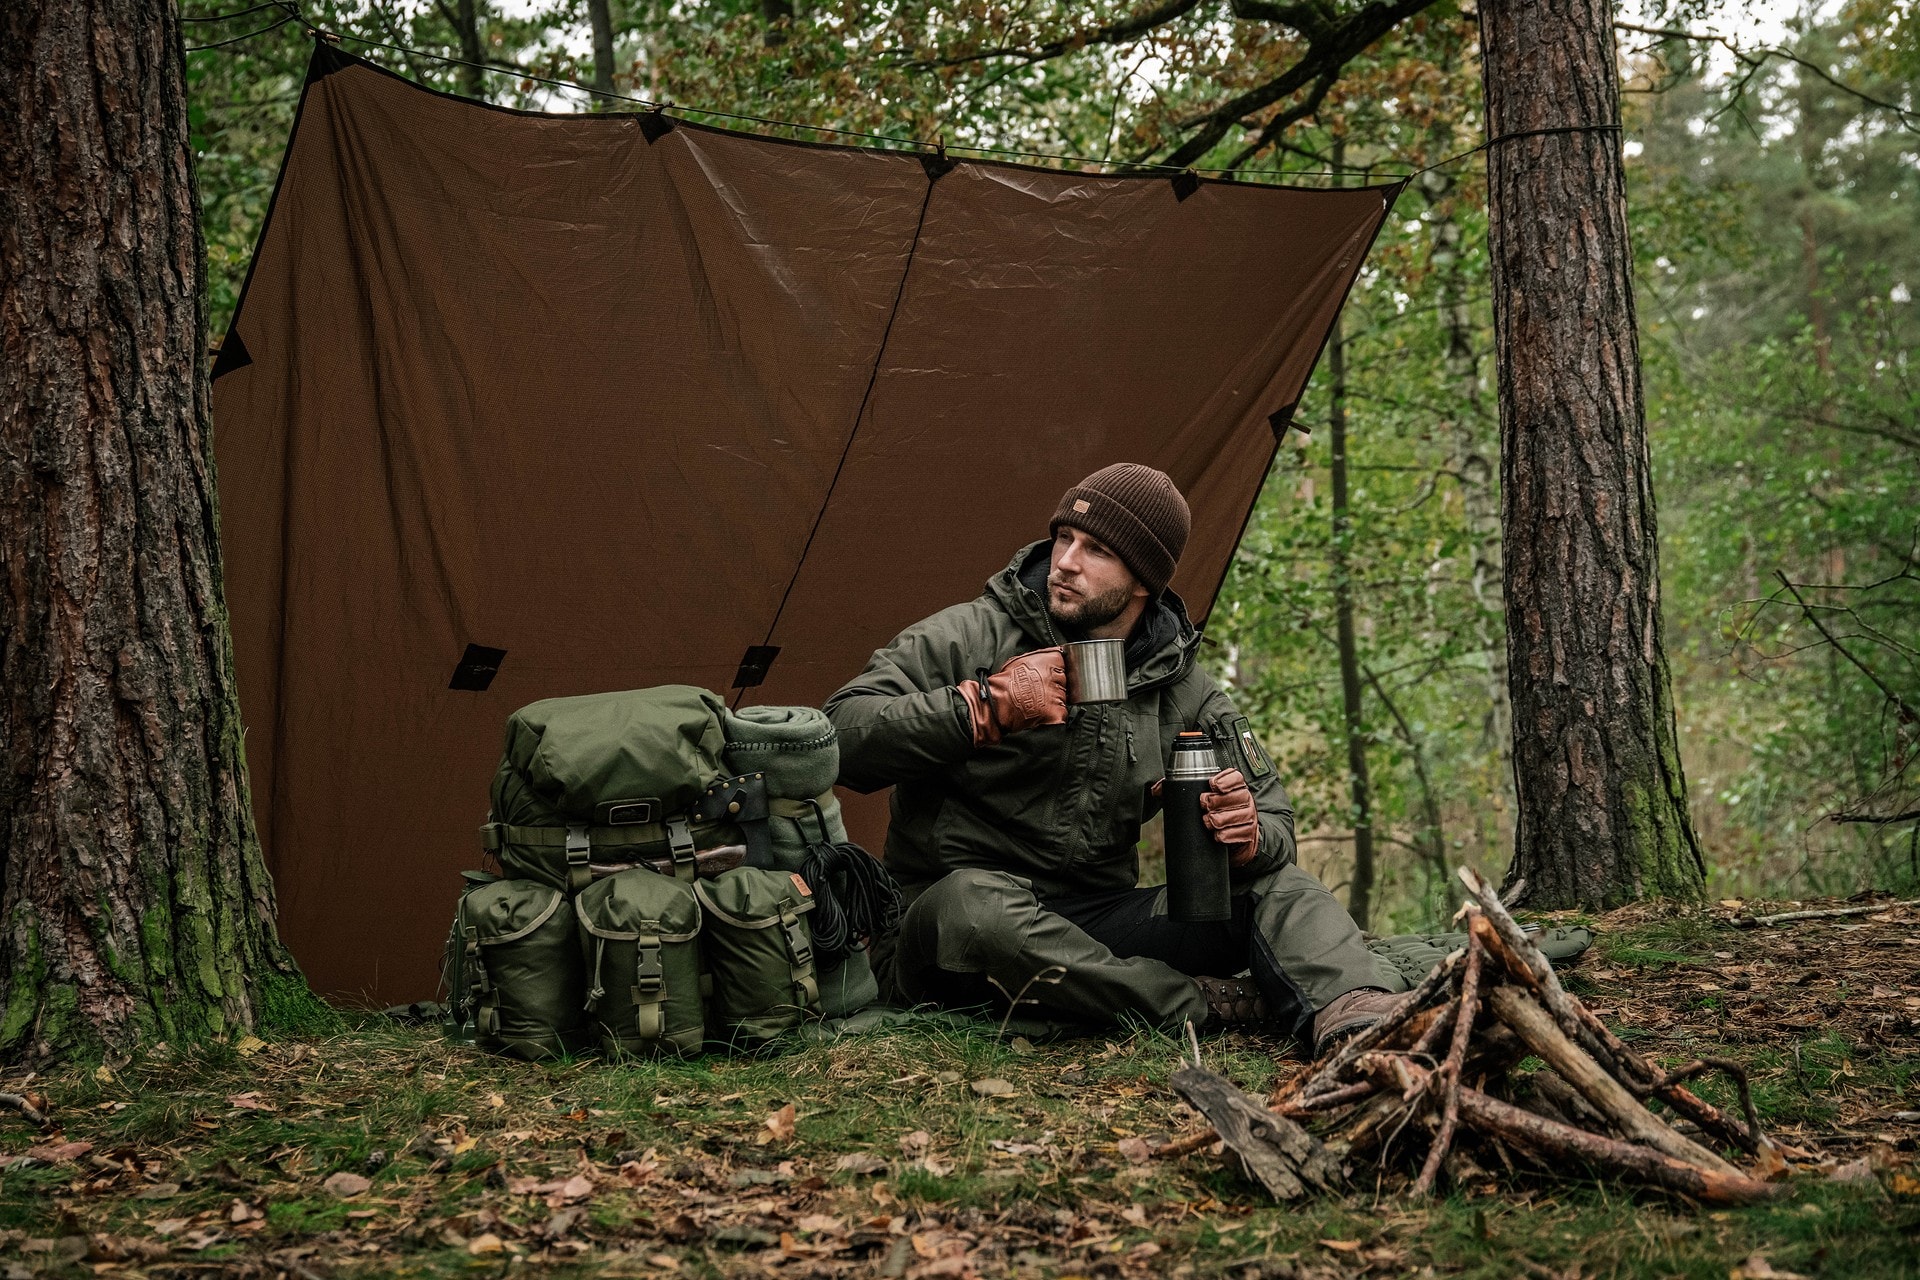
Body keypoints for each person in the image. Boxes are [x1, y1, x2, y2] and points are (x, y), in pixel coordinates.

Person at [823, 463, 1407, 1053]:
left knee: (1281, 887)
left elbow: (1277, 825)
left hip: (1094, 921)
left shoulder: (1181, 688)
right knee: (973, 904)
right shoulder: (969, 635)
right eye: (1064, 537)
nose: (1066, 561)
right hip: (946, 926)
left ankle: (1359, 1013)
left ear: (1143, 581)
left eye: (1096, 550)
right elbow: (837, 737)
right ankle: (1199, 1002)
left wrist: (1248, 836)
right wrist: (979, 709)